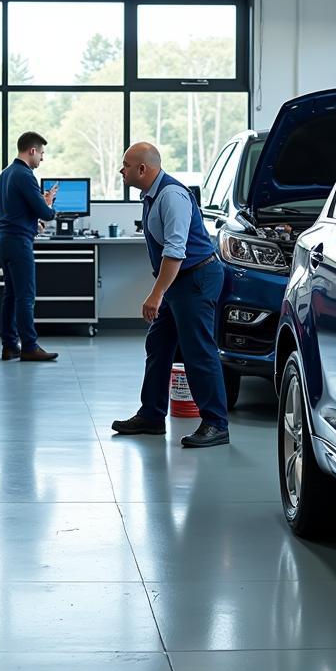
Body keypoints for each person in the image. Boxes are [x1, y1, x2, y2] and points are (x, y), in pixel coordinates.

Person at [113, 142, 230, 448]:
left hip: (195, 278)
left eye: (125, 165)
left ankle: (217, 423)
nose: (121, 170)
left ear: (142, 169)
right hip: (180, 280)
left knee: (198, 351)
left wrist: (156, 294)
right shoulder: (150, 195)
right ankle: (152, 415)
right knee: (159, 344)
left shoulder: (172, 196)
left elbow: (175, 251)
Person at [0, 131, 59, 362]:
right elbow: (46, 213)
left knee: (11, 295)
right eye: (41, 153)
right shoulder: (25, 175)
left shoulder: (6, 174)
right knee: (26, 296)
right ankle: (29, 346)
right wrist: (48, 204)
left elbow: (16, 210)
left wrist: (34, 222)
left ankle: (9, 345)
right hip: (18, 242)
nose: (42, 158)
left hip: (3, 240)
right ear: (32, 151)